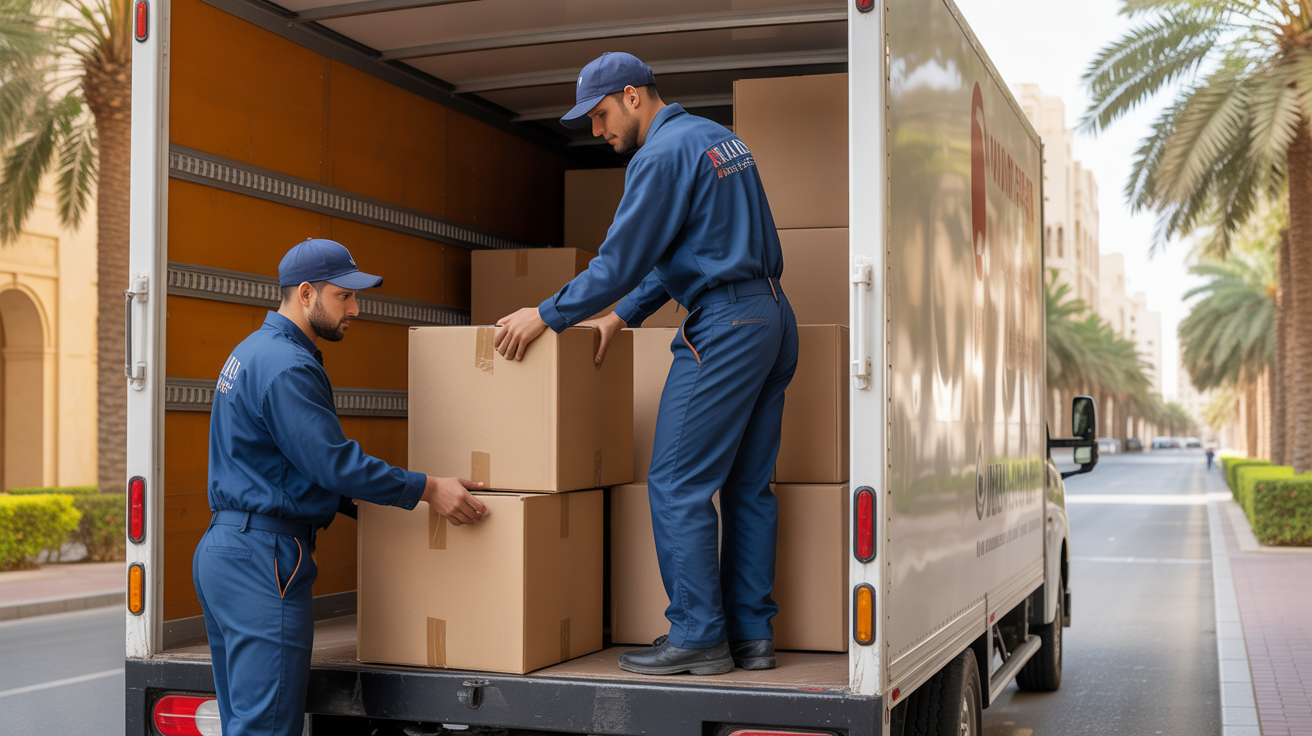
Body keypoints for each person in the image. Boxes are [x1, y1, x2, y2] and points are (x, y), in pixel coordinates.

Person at [495, 53, 798, 676]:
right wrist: (621, 315)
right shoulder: (718, 139)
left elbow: (620, 260)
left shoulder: (658, 156)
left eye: (601, 115)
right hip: (771, 316)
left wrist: (546, 314)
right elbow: (689, 247)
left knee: (677, 484)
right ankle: (751, 637)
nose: (598, 130)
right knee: (747, 487)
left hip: (727, 326)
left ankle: (697, 635)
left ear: (633, 97)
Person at [194, 238, 488, 735]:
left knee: (245, 723)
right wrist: (428, 488)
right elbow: (333, 463)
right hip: (263, 560)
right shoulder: (288, 366)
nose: (356, 308)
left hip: (226, 551)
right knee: (266, 728)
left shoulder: (251, 352)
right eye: (343, 296)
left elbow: (286, 462)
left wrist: (364, 503)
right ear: (305, 294)